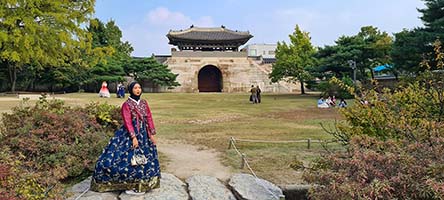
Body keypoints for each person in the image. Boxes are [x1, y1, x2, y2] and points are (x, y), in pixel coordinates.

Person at [91, 81, 160, 195]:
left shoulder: (144, 103)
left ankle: (143, 183)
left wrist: (151, 134)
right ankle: (129, 184)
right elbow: (127, 121)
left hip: (144, 134)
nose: (138, 90)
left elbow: (149, 118)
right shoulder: (126, 105)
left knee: (145, 157)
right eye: (135, 88)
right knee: (126, 158)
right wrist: (133, 137)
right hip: (130, 133)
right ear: (131, 90)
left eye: (139, 88)